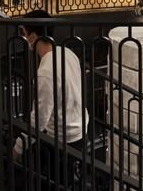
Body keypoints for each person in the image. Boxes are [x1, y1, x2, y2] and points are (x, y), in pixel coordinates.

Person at [13, 10, 88, 188]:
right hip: (80, 130)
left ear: (33, 37)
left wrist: (18, 147)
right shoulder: (67, 53)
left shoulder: (46, 71)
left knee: (59, 182)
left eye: (24, 33)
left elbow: (40, 119)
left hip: (62, 140)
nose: (24, 38)